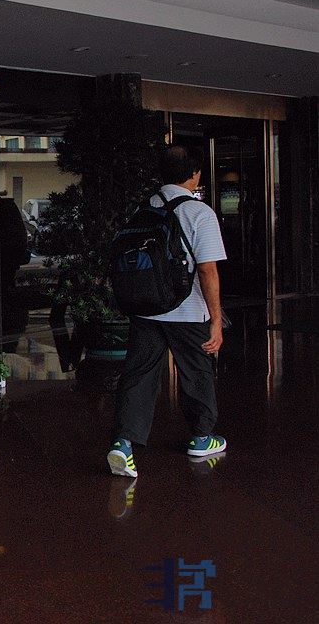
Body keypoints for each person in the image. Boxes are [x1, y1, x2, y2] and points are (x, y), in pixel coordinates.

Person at [108, 146, 228, 478]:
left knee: (139, 375)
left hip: (146, 309)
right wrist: (216, 321)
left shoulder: (143, 209)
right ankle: (202, 438)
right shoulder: (199, 212)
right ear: (195, 174)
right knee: (196, 372)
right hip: (188, 312)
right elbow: (207, 271)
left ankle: (123, 444)